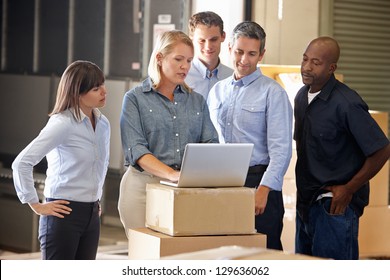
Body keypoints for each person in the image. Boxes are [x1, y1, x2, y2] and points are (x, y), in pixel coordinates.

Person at [294, 36, 390, 260]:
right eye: (305, 59)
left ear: (331, 68)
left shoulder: (346, 103)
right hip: (306, 204)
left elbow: (382, 149)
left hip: (334, 206)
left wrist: (348, 188)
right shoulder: (301, 96)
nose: (306, 67)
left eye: (315, 63)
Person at [118, 30, 219, 236]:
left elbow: (210, 143)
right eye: (178, 59)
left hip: (183, 189)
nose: (185, 66)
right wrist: (171, 174)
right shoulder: (135, 99)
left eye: (189, 60)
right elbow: (136, 149)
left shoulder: (197, 101)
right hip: (142, 190)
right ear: (159, 58)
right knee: (145, 257)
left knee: (179, 257)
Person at [11, 60, 110, 260]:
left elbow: (100, 166)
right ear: (78, 93)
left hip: (91, 214)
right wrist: (35, 204)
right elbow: (22, 163)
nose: (104, 91)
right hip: (63, 214)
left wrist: (94, 199)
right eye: (96, 88)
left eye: (102, 85)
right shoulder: (62, 124)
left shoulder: (103, 123)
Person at [207, 21, 293, 250]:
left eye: (252, 54)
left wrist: (263, 190)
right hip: (223, 184)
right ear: (230, 49)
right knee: (225, 252)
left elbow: (281, 151)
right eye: (239, 52)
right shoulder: (217, 91)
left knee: (264, 254)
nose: (244, 60)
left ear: (261, 54)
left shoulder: (273, 93)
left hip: (258, 183)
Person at [185, 11, 233, 100]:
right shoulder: (181, 76)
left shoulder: (233, 78)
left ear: (223, 36)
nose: (208, 47)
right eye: (202, 41)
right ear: (191, 38)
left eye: (213, 39)